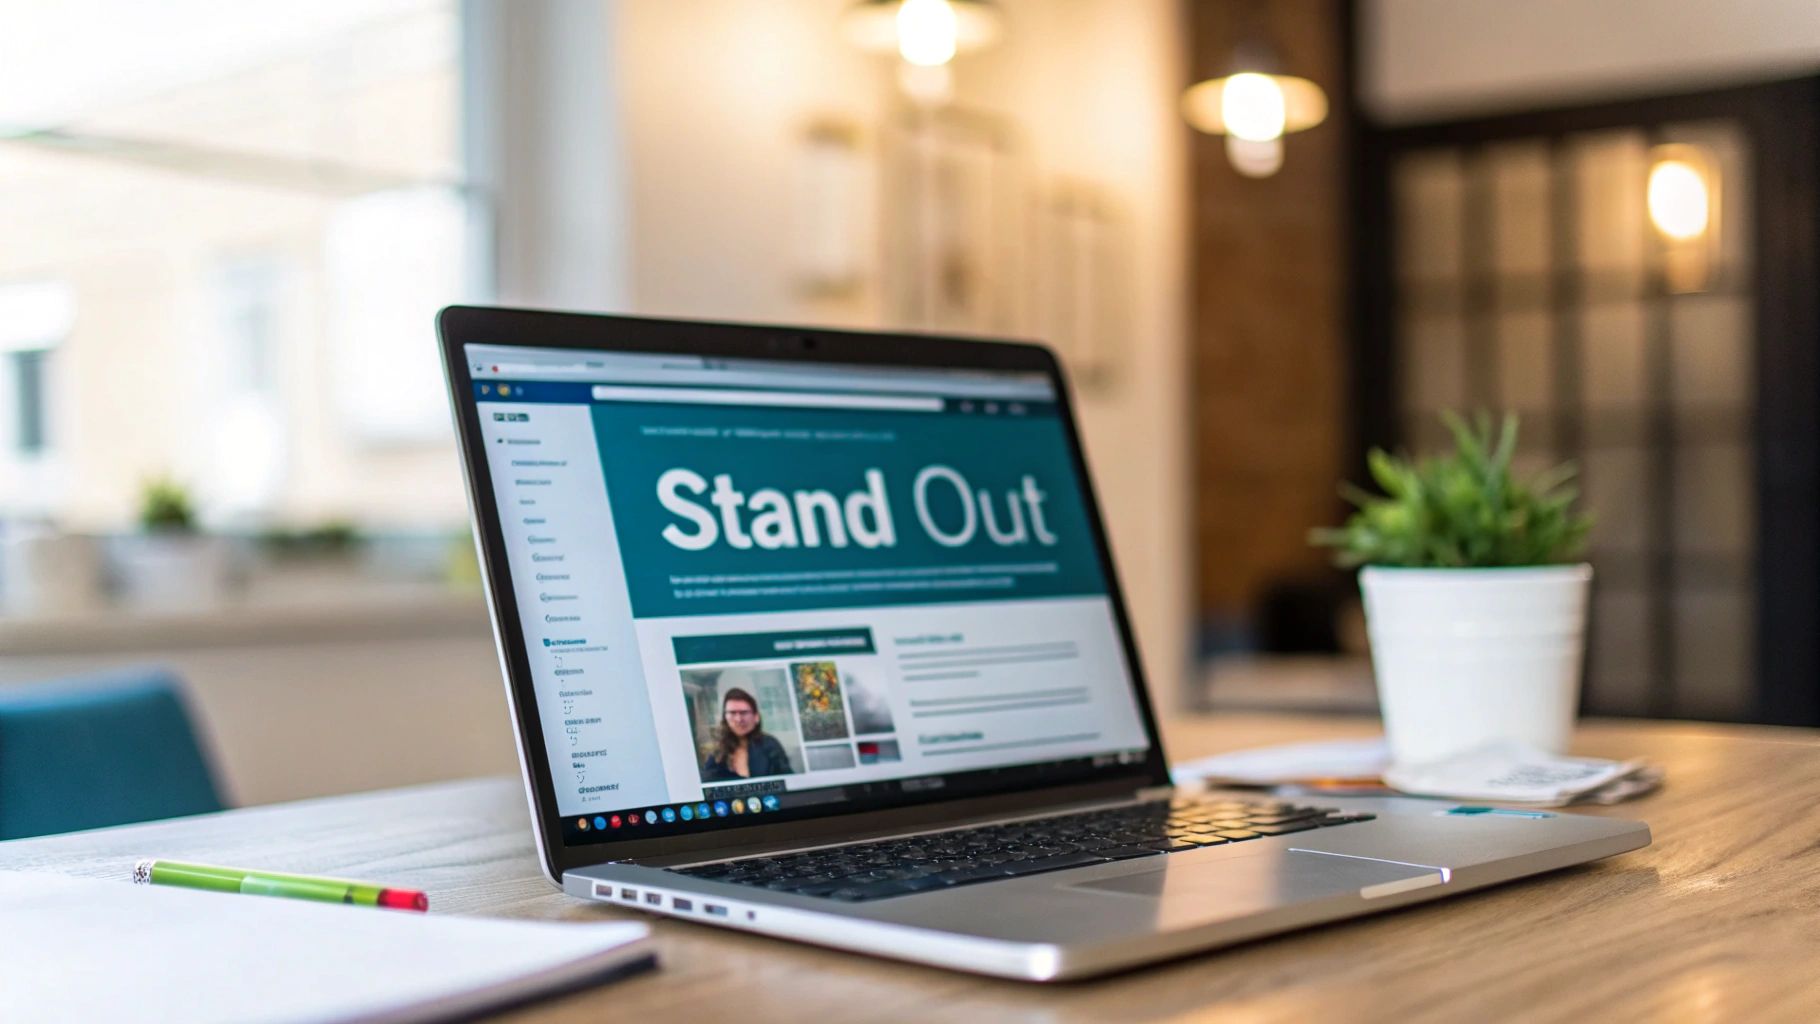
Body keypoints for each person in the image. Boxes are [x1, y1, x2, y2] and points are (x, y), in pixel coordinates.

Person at [701, 687, 795, 781]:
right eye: (732, 713)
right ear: (725, 717)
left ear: (756, 717)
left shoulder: (770, 745)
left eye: (744, 713)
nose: (739, 719)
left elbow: (788, 781)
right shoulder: (719, 750)